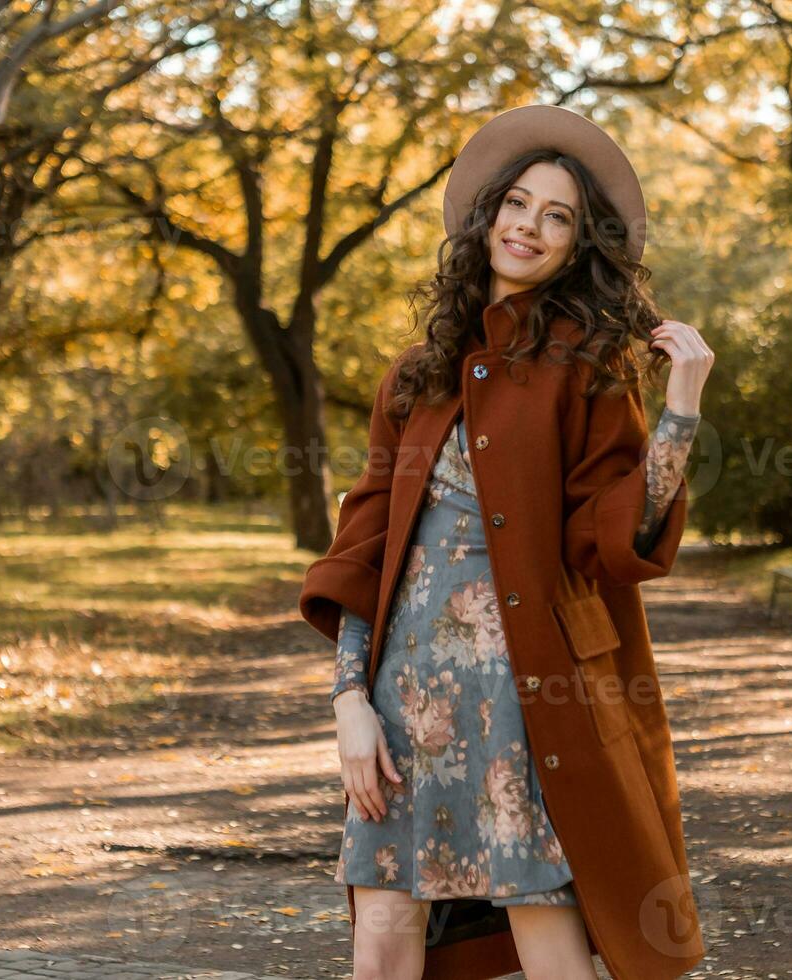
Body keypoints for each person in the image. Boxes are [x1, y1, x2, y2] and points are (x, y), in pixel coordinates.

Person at [298, 104, 714, 980]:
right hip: (402, 701)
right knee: (380, 933)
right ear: (487, 214)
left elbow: (615, 535)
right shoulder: (416, 373)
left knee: (547, 932)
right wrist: (348, 704)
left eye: (555, 215)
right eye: (517, 204)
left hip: (529, 700)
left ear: (577, 243)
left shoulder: (588, 366)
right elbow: (366, 546)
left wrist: (680, 411)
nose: (528, 227)